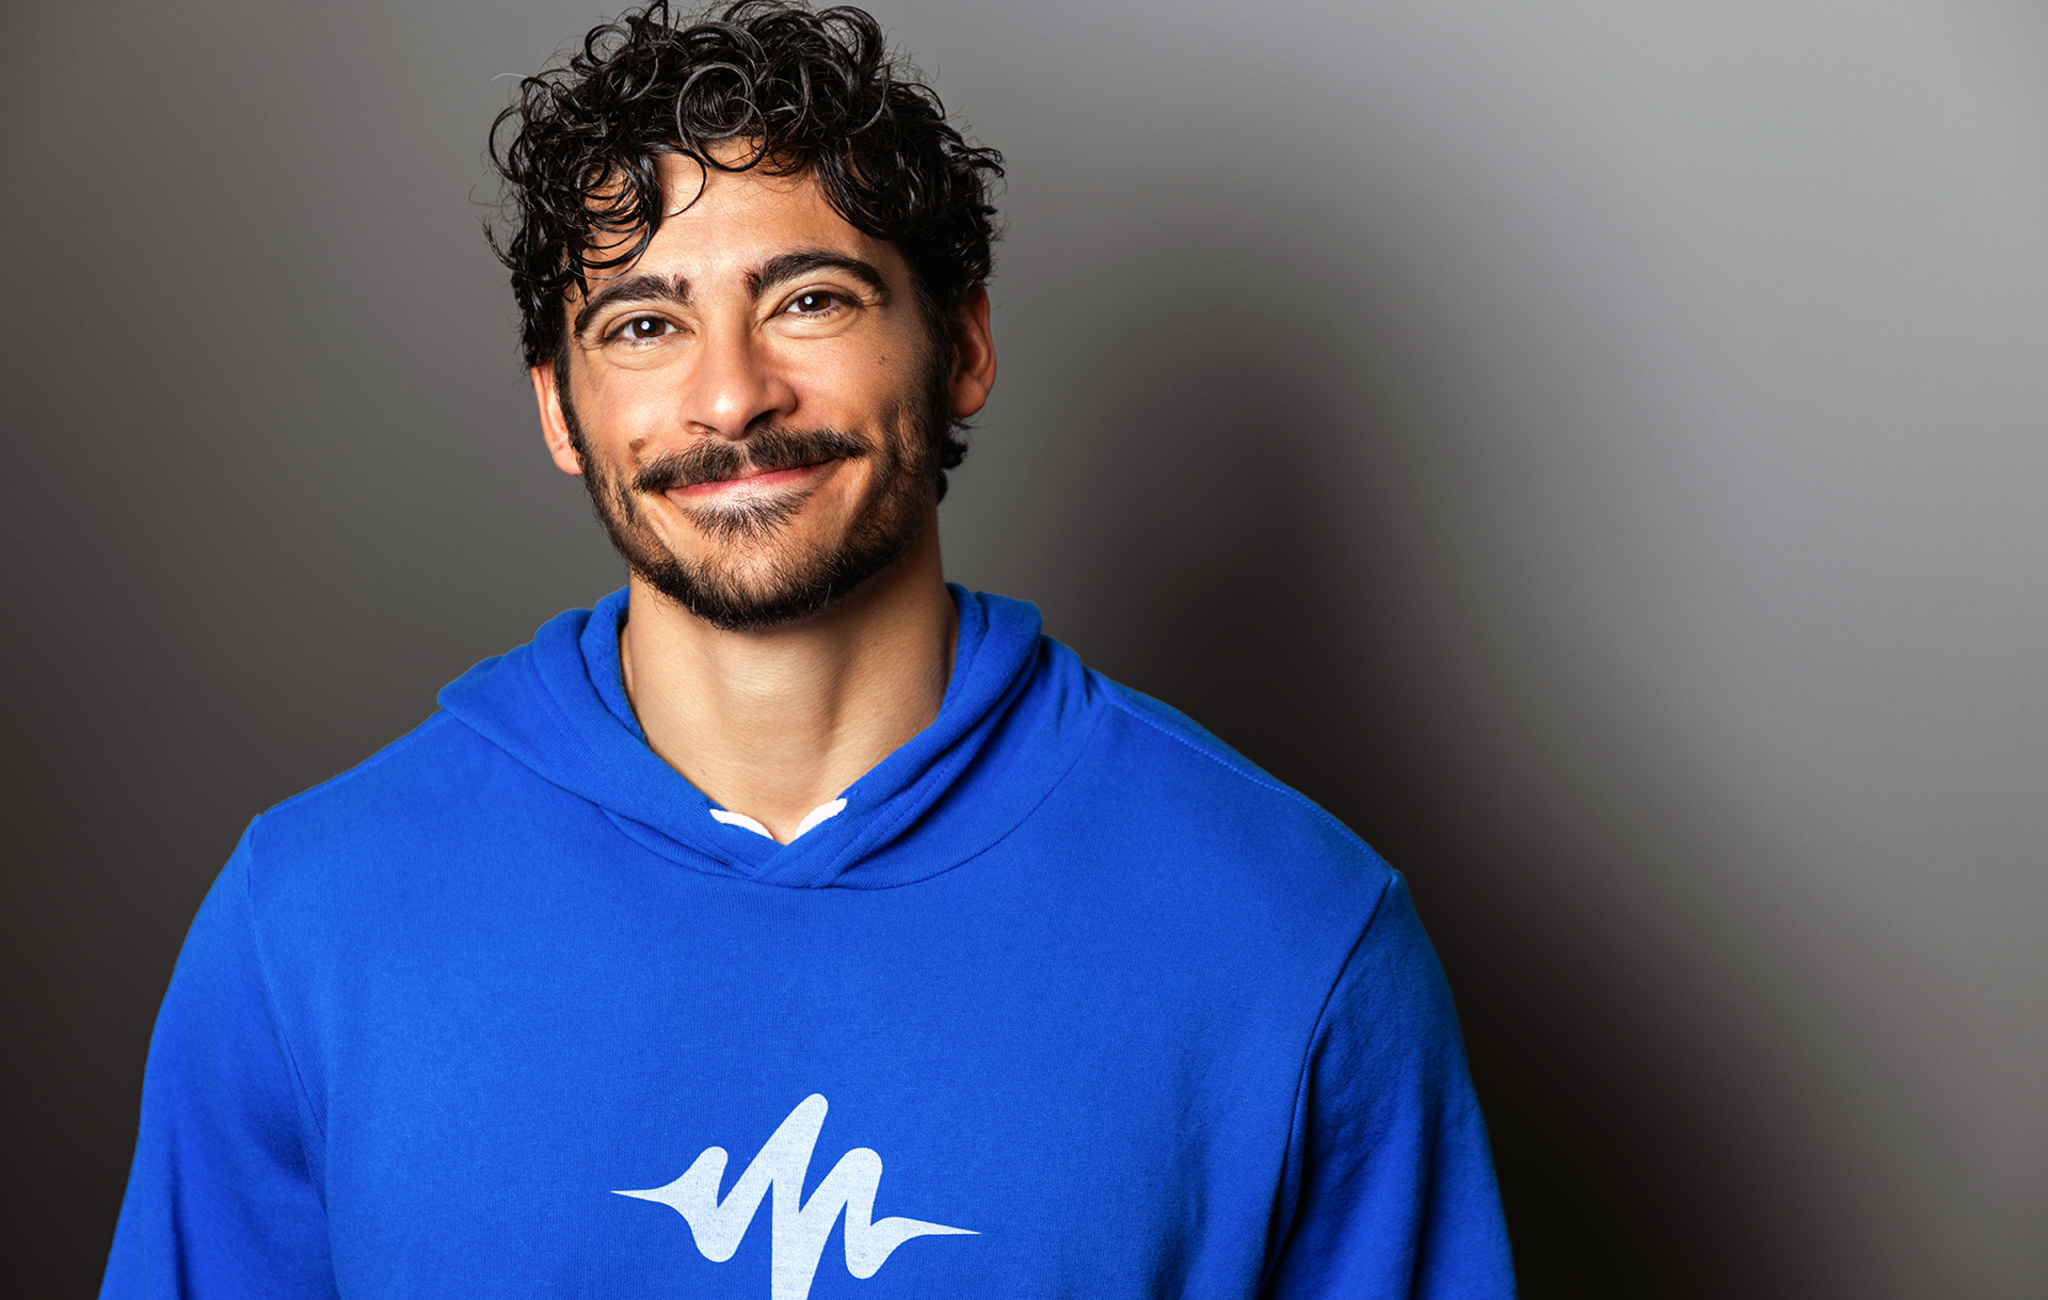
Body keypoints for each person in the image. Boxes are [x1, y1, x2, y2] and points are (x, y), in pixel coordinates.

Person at [99, 3, 1514, 1296]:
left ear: (958, 347)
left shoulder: (1293, 928)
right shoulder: (309, 928)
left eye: (810, 300)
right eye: (646, 322)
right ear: (560, 411)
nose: (731, 393)